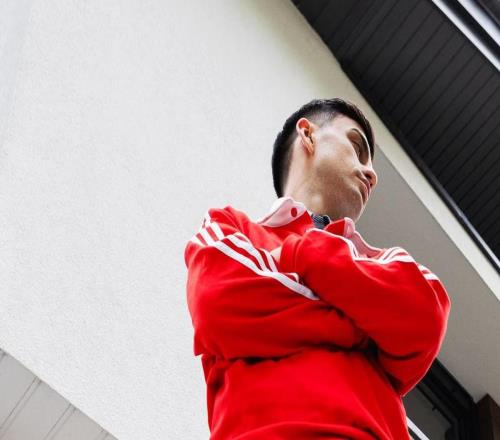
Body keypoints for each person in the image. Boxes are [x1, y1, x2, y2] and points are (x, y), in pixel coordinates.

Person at [184, 98, 451, 439]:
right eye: (356, 147)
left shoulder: (386, 261)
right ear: (308, 135)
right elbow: (219, 305)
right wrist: (365, 329)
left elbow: (425, 319)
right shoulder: (228, 229)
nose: (372, 174)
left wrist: (300, 252)